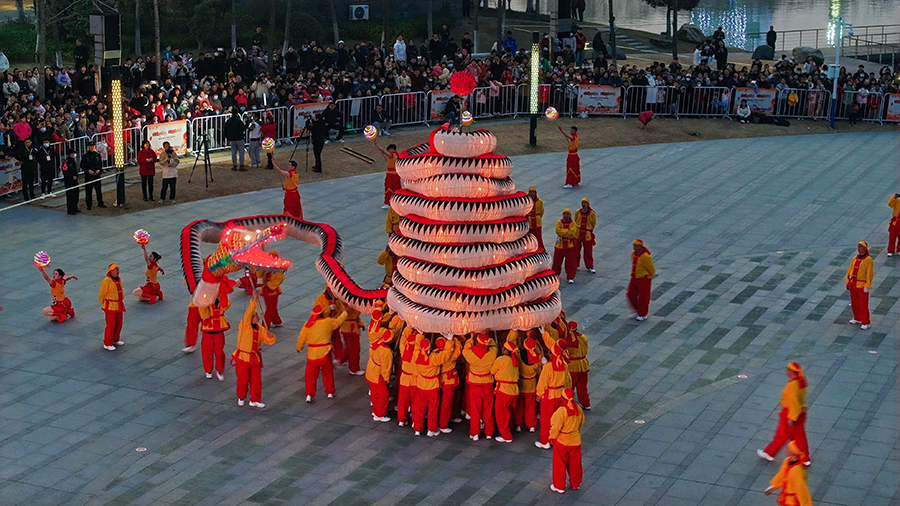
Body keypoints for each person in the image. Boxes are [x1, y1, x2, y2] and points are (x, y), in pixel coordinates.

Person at [758, 362, 811, 466]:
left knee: (781, 435)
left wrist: (792, 418)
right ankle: (805, 458)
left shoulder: (792, 385)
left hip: (790, 413)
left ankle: (769, 453)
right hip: (800, 413)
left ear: (791, 372)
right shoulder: (801, 380)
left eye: (788, 369)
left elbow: (793, 402)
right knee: (800, 437)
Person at [232, 290, 276, 408]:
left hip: (254, 357)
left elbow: (267, 340)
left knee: (256, 380)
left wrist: (270, 337)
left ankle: (255, 399)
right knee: (243, 380)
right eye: (255, 315)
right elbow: (248, 313)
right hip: (243, 357)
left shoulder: (260, 328)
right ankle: (241, 396)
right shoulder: (244, 325)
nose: (257, 317)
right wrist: (254, 300)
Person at [296, 304, 348, 403]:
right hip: (325, 351)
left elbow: (301, 338)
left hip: (312, 354)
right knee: (327, 373)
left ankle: (309, 394)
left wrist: (299, 347)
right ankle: (330, 392)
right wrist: (345, 312)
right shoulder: (327, 322)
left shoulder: (308, 325)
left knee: (310, 376)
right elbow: (338, 322)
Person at [412, 336, 457, 437]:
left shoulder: (416, 356)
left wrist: (419, 335)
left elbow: (416, 347)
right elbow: (446, 355)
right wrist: (449, 340)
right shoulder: (433, 358)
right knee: (433, 409)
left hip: (421, 385)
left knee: (419, 409)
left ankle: (417, 429)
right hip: (432, 387)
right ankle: (431, 429)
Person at [535, 342, 571, 449]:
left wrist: (539, 393)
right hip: (560, 395)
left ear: (552, 354)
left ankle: (545, 441)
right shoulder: (563, 364)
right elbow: (567, 379)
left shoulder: (548, 366)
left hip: (549, 396)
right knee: (557, 419)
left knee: (546, 419)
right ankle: (555, 440)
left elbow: (543, 382)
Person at [549, 388, 585, 493]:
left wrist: (552, 437)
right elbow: (582, 422)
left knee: (559, 464)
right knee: (575, 464)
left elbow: (555, 427)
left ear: (563, 398)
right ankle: (575, 483)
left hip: (562, 441)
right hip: (575, 440)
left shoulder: (561, 411)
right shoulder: (578, 409)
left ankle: (559, 486)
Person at [463, 333, 498, 441]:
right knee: (488, 410)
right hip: (487, 384)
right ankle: (489, 433)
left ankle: (475, 433)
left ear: (477, 342)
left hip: (474, 385)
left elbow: (465, 349)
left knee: (475, 411)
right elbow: (494, 346)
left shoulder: (470, 354)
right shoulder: (492, 354)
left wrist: (471, 338)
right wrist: (488, 337)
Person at [764, 441, 812, 506]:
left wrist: (805, 504)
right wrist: (774, 486)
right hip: (788, 496)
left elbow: (801, 488)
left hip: (794, 500)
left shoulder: (796, 470)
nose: (786, 450)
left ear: (793, 453)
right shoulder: (787, 461)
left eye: (789, 449)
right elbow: (781, 475)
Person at [491, 341, 520, 443]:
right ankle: (511, 428)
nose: (502, 349)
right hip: (515, 390)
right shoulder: (515, 359)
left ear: (506, 350)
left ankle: (506, 435)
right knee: (511, 412)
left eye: (503, 348)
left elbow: (492, 371)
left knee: (502, 414)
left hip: (504, 390)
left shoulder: (501, 359)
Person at [199, 289, 231, 381]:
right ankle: (208, 370)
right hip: (208, 331)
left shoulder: (220, 298)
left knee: (219, 351)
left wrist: (222, 295)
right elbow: (204, 315)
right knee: (207, 351)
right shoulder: (204, 301)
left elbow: (227, 304)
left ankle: (219, 370)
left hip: (219, 330)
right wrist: (205, 303)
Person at [366, 327, 395, 422]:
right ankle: (380, 414)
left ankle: (375, 410)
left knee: (375, 394)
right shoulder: (387, 352)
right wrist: (386, 379)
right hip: (378, 375)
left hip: (371, 371)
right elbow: (386, 368)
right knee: (383, 395)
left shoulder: (377, 343)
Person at [515, 334, 542, 433]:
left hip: (521, 384)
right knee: (531, 407)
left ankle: (518, 424)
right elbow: (539, 370)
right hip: (531, 385)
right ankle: (531, 425)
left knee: (519, 406)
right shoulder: (536, 358)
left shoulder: (520, 356)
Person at [437, 335, 463, 433]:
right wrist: (452, 338)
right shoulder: (450, 356)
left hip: (439, 380)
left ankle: (451, 416)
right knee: (446, 404)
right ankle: (443, 425)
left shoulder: (435, 354)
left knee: (441, 403)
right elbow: (458, 349)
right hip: (448, 382)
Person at [845, 241, 874, 330]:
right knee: (855, 303)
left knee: (863, 304)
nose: (859, 249)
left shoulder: (868, 260)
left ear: (865, 249)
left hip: (862, 284)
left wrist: (867, 285)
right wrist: (848, 282)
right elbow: (850, 270)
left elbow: (870, 273)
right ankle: (857, 318)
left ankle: (866, 322)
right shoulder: (855, 258)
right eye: (858, 247)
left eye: (861, 247)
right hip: (854, 284)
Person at [98, 263, 126, 351]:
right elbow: (102, 293)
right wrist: (103, 302)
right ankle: (107, 343)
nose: (118, 272)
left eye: (118, 269)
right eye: (116, 270)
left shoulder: (118, 279)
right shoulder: (106, 281)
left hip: (118, 304)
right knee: (111, 325)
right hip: (110, 306)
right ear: (111, 271)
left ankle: (115, 339)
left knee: (119, 323)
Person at [628, 239, 655, 321]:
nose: (634, 247)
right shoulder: (633, 254)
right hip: (634, 277)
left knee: (643, 297)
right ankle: (637, 310)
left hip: (643, 278)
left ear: (640, 247)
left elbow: (651, 269)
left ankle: (643, 314)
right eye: (634, 245)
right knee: (630, 294)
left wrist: (648, 277)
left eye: (636, 246)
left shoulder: (645, 257)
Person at [553, 209, 579, 284]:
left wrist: (563, 232)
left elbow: (572, 233)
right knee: (557, 261)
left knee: (571, 262)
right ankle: (556, 274)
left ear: (570, 215)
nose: (566, 216)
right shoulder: (559, 222)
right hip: (559, 245)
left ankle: (570, 277)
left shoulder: (573, 223)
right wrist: (567, 232)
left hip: (570, 246)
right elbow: (558, 231)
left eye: (568, 214)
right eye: (565, 214)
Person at [374, 139, 400, 209]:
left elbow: (383, 151)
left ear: (391, 149)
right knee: (396, 188)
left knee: (389, 187)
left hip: (391, 175)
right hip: (396, 174)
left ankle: (389, 203)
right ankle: (396, 201)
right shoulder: (397, 155)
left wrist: (377, 145)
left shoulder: (392, 155)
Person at [340, 306, 365, 375]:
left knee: (350, 348)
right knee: (354, 350)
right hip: (349, 329)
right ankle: (354, 369)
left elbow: (356, 317)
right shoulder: (345, 305)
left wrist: (360, 323)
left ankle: (341, 359)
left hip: (350, 328)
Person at [260, 256, 284, 328]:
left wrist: (269, 285)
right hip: (266, 290)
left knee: (271, 308)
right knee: (271, 308)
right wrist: (261, 268)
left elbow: (279, 279)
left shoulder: (276, 270)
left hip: (272, 290)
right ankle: (272, 322)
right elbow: (259, 275)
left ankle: (270, 323)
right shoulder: (267, 267)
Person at [574, 198, 596, 273]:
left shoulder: (592, 213)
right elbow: (575, 220)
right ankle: (575, 264)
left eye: (585, 203)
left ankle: (590, 266)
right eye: (582, 202)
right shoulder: (578, 212)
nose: (584, 204)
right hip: (578, 232)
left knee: (588, 251)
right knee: (576, 250)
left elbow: (593, 224)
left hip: (587, 234)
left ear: (588, 204)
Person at [80, 141, 105, 210]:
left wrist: (99, 170)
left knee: (98, 190)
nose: (92, 147)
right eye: (90, 146)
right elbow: (82, 165)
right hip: (89, 175)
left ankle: (100, 202)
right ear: (88, 147)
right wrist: (88, 170)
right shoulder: (85, 156)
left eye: (93, 146)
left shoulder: (97, 155)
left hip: (96, 175)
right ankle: (89, 204)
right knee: (88, 191)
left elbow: (100, 164)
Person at [14, 137, 38, 202]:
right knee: (25, 182)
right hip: (25, 167)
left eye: (28, 142)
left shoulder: (33, 149)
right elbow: (15, 154)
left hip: (32, 167)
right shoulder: (22, 149)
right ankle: (26, 196)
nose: (27, 144)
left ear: (31, 142)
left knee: (31, 182)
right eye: (26, 142)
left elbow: (36, 155)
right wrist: (21, 159)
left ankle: (32, 194)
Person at [61, 149, 80, 215]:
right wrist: (72, 177)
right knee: (70, 195)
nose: (73, 155)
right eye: (72, 153)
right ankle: (70, 209)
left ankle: (75, 207)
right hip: (69, 181)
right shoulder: (66, 162)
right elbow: (65, 172)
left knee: (76, 194)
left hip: (75, 180)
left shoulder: (73, 161)